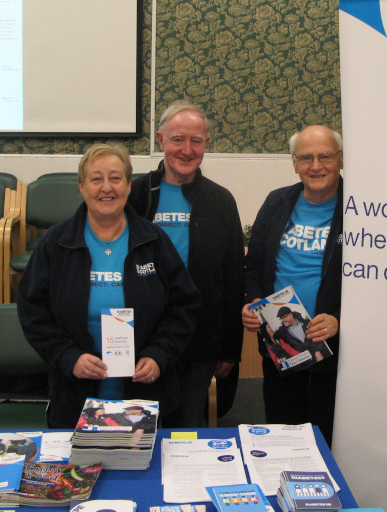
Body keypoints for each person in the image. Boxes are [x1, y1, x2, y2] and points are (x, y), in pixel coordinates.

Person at [17, 143, 201, 429]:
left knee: (141, 472)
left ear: (128, 186)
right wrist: (68, 357)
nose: (107, 188)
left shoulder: (153, 241)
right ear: (81, 186)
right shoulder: (56, 243)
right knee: (80, 473)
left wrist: (158, 354)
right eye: (96, 179)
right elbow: (32, 311)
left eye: (115, 178)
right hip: (75, 397)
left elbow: (184, 306)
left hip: (144, 398)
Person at [129, 100, 244, 427]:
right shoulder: (136, 194)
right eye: (178, 139)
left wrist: (230, 349)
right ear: (161, 140)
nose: (186, 149)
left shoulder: (220, 200)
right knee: (141, 432)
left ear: (206, 143)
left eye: (196, 140)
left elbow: (234, 278)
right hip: (143, 339)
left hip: (200, 338)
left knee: (187, 432)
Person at [242, 125, 343, 447]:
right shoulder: (277, 202)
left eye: (325, 156)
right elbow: (254, 265)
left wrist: (341, 318)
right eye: (306, 158)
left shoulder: (362, 209)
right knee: (284, 437)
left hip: (337, 353)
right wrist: (253, 301)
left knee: (329, 440)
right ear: (294, 163)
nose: (316, 166)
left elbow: (377, 282)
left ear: (341, 160)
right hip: (281, 348)